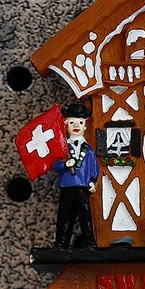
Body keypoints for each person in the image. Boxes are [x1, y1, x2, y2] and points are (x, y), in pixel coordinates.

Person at [53, 104, 99, 248]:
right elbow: (55, 165)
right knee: (65, 216)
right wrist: (65, 165)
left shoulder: (88, 149)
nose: (76, 126)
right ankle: (61, 243)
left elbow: (93, 167)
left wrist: (92, 180)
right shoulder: (63, 148)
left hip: (82, 187)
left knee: (85, 216)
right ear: (66, 124)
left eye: (80, 122)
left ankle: (90, 244)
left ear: (85, 126)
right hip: (67, 186)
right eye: (72, 122)